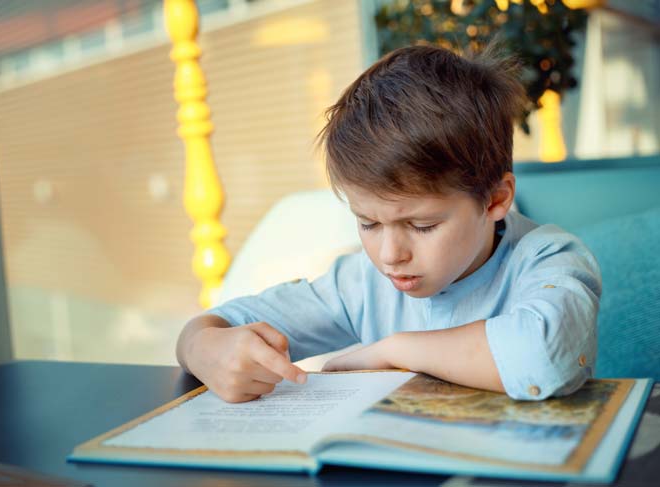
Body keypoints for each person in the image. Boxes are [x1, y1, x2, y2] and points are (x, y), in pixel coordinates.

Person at [175, 43, 600, 404]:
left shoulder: (549, 259)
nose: (390, 255)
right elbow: (217, 324)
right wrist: (203, 347)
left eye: (422, 225)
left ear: (495, 199)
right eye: (368, 223)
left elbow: (545, 355)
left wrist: (394, 350)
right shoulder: (362, 285)